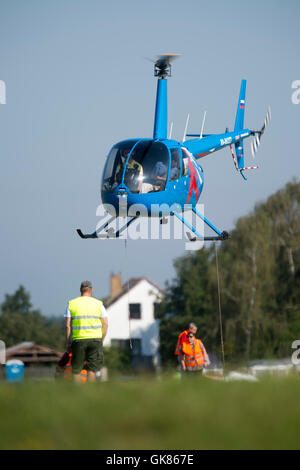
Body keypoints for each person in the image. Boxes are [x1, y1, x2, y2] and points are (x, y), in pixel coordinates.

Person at [65, 280, 108, 383]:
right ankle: (90, 393)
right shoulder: (99, 304)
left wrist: (68, 342)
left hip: (78, 340)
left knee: (76, 370)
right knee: (92, 369)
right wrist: (101, 339)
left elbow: (67, 326)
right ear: (91, 290)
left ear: (80, 290)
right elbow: (106, 324)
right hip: (95, 340)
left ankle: (78, 393)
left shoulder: (72, 304)